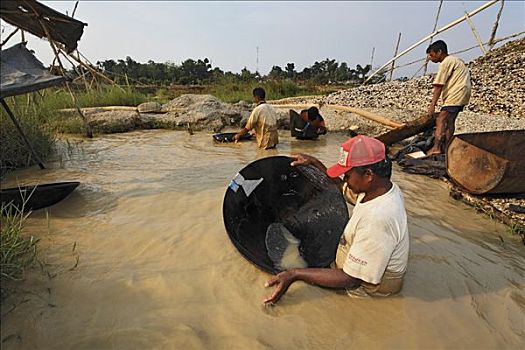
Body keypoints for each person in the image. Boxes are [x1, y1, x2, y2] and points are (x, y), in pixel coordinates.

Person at [263, 135, 409, 304]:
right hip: (357, 268)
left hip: (368, 291)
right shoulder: (380, 189)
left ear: (368, 175)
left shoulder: (379, 219)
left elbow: (351, 279)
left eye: (347, 174)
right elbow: (343, 188)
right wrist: (315, 163)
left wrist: (295, 274)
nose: (345, 179)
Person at [425, 40, 471, 156]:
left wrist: (432, 105)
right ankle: (447, 148)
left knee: (441, 119)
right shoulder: (456, 60)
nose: (431, 58)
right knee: (450, 120)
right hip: (463, 94)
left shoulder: (446, 62)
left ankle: (436, 148)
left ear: (439, 52)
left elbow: (438, 86)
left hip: (456, 94)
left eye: (432, 55)